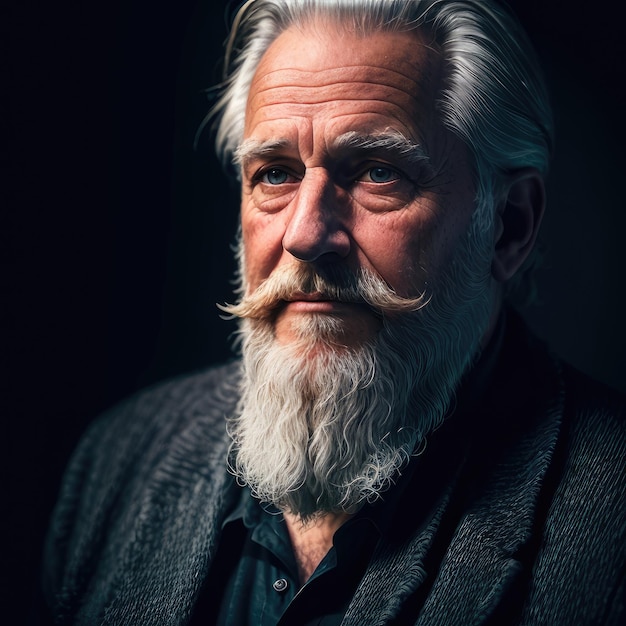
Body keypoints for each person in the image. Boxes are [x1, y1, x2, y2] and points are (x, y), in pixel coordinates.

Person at [38, 0, 625, 624]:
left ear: (509, 227)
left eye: (379, 172)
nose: (304, 235)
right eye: (275, 174)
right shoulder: (117, 458)